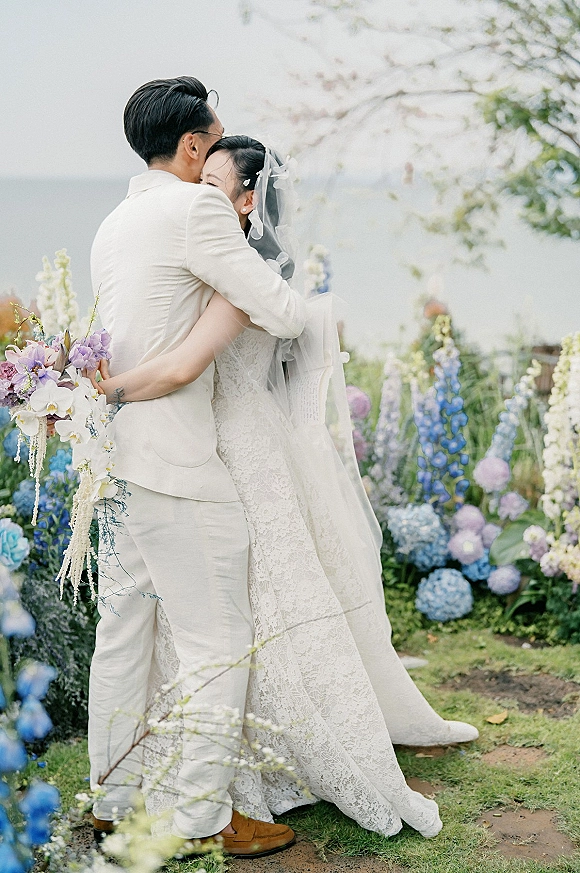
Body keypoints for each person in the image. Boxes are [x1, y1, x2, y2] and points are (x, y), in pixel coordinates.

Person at [96, 135, 479, 842]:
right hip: (198, 450)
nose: (200, 194)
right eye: (199, 176)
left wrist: (103, 391)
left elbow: (184, 363)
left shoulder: (241, 278)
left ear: (248, 201)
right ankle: (198, 775)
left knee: (255, 610)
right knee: (215, 618)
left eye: (216, 183)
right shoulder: (203, 257)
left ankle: (269, 762)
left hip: (236, 448)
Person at [88, 78, 306, 859]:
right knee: (220, 637)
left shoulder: (114, 223)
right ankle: (205, 813)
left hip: (115, 459)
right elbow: (281, 309)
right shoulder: (198, 208)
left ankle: (112, 800)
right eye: (214, 139)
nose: (218, 147)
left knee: (123, 633)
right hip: (180, 458)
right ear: (192, 147)